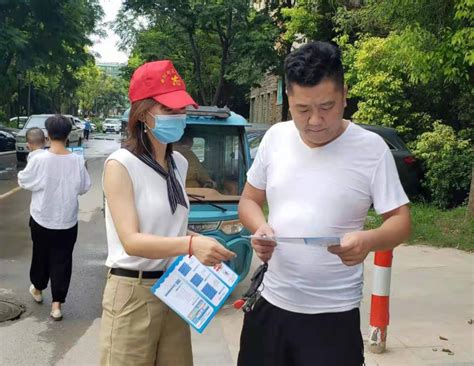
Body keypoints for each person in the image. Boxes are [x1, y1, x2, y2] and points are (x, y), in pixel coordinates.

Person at [237, 41, 411, 366]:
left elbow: (400, 220)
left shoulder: (371, 150)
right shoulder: (275, 138)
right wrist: (260, 227)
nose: (315, 120)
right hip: (270, 306)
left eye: (327, 106)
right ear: (287, 97)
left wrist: (369, 241)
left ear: (345, 93)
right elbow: (249, 199)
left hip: (333, 318)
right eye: (303, 109)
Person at [100, 60, 236, 366]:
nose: (179, 117)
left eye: (181, 110)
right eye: (169, 110)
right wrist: (190, 245)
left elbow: (167, 227)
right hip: (132, 293)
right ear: (143, 113)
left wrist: (204, 245)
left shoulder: (180, 165)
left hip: (175, 287)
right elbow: (132, 241)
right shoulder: (121, 165)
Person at [18, 115, 91, 321]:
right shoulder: (77, 160)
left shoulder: (39, 158)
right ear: (69, 135)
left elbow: (24, 181)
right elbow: (84, 187)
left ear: (48, 135)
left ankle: (38, 289)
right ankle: (57, 306)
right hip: (67, 220)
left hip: (41, 218)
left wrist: (32, 157)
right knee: (62, 259)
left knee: (40, 255)